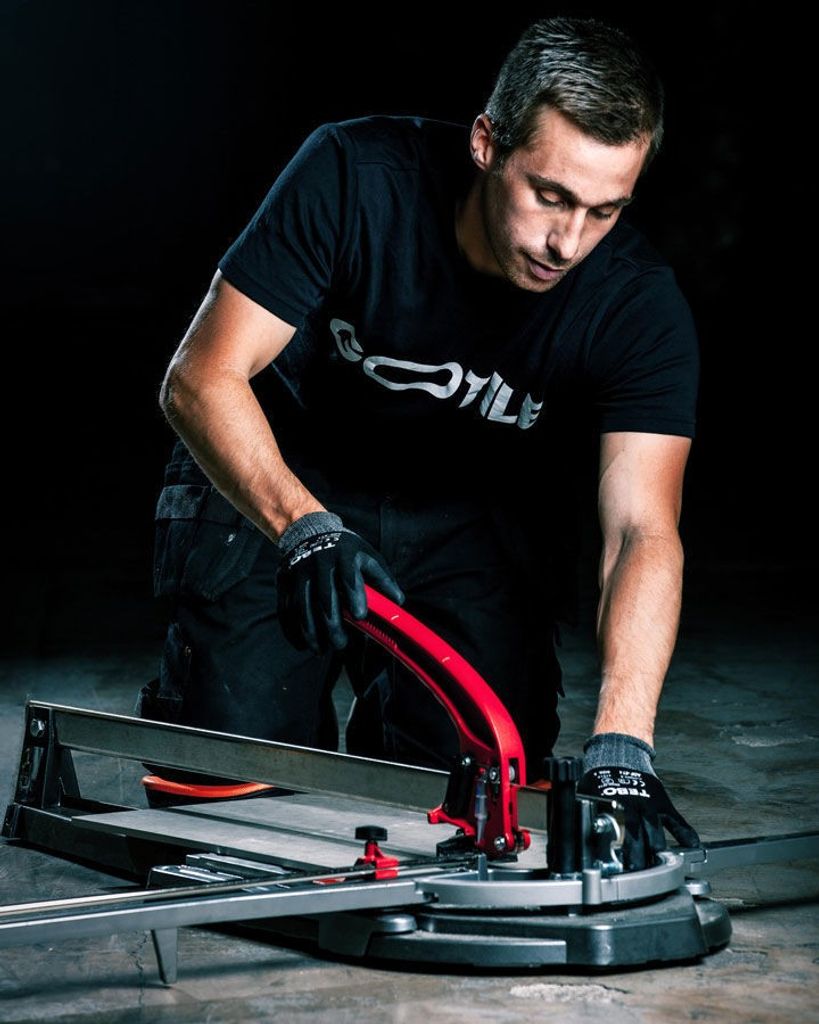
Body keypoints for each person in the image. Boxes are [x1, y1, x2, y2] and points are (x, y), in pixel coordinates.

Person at [136, 15, 702, 869]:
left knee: (477, 795)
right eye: (549, 196)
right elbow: (199, 376)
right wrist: (303, 526)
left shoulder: (636, 303)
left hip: (463, 510)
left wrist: (623, 746)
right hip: (283, 474)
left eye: (603, 211)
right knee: (224, 795)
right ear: (485, 143)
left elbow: (640, 530)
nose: (566, 242)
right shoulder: (353, 174)